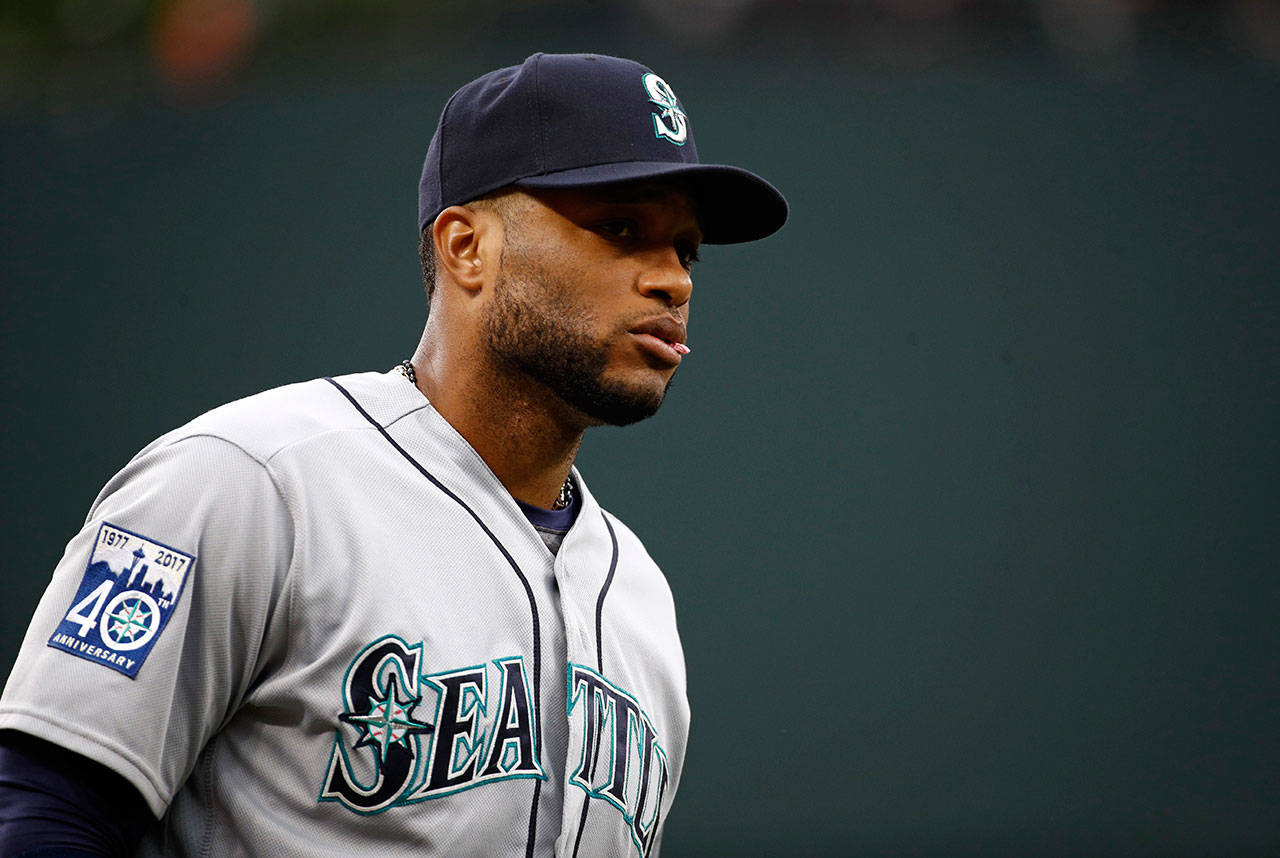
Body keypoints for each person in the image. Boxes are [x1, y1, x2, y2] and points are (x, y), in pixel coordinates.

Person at [0, 52, 787, 857]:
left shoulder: (640, 600)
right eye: (623, 228)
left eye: (686, 250)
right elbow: (45, 809)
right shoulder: (250, 482)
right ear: (467, 247)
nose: (673, 281)